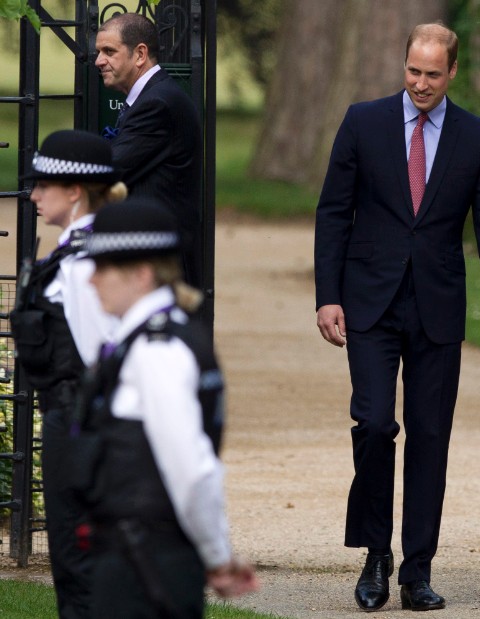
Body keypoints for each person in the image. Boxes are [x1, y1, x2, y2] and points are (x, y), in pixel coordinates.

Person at [313, 22, 480, 612]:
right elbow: (333, 213)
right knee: (375, 424)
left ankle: (416, 570)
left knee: (431, 437)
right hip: (369, 301)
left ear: (452, 72)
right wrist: (329, 295)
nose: (421, 83)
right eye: (413, 71)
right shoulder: (363, 121)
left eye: (433, 73)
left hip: (437, 307)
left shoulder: (477, 136)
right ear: (403, 65)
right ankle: (375, 552)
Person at [69, 197, 256, 617]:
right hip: (137, 553)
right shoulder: (146, 340)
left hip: (144, 560)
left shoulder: (158, 351)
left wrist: (217, 556)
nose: (91, 281)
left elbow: (190, 467)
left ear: (141, 274)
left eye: (102, 268)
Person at [12, 129, 125, 618]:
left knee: (81, 572)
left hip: (84, 431)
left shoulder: (85, 264)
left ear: (75, 190)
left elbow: (110, 362)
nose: (34, 194)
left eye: (44, 184)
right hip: (73, 427)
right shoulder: (75, 254)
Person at [95, 12, 203, 289]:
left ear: (140, 54)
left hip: (160, 261)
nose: (98, 61)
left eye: (109, 51)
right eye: (98, 52)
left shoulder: (156, 103)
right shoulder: (152, 96)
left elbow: (112, 168)